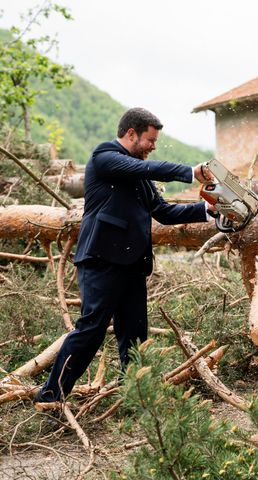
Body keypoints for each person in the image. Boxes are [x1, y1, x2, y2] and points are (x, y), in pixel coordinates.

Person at [35, 108, 214, 403]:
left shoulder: (140, 175)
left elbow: (164, 212)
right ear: (131, 133)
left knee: (134, 335)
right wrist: (188, 173)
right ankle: (51, 396)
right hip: (101, 260)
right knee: (90, 331)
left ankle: (135, 397)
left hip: (132, 265)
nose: (153, 146)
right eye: (150, 140)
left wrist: (207, 211)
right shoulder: (104, 156)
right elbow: (146, 168)